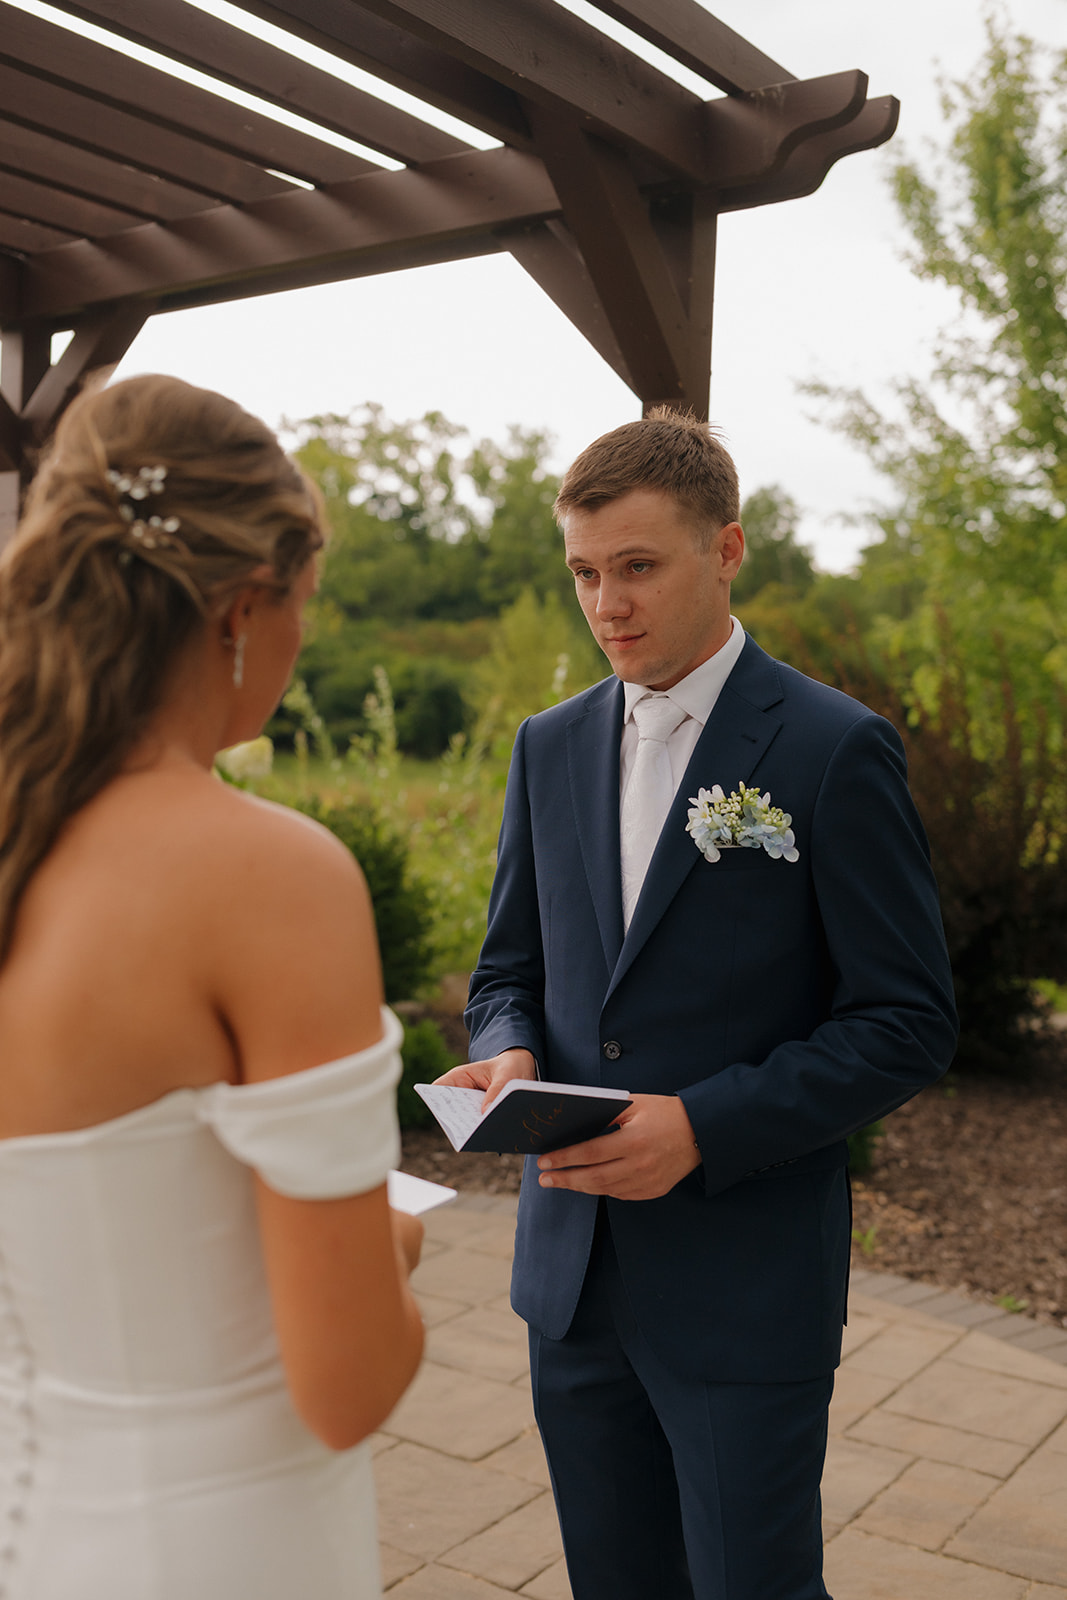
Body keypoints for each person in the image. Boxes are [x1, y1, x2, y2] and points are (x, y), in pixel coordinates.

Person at [438, 411, 957, 1600]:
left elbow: (905, 1018)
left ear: (725, 550)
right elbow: (509, 969)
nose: (605, 603)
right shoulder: (546, 745)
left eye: (636, 566)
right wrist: (507, 1052)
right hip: (569, 1278)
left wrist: (702, 1126)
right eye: (582, 572)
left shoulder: (833, 749)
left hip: (741, 1281)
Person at [0, 374, 423, 1598]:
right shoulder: (269, 877)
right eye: (303, 606)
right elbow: (344, 1385)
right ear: (246, 606)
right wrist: (386, 1253)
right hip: (212, 1542)